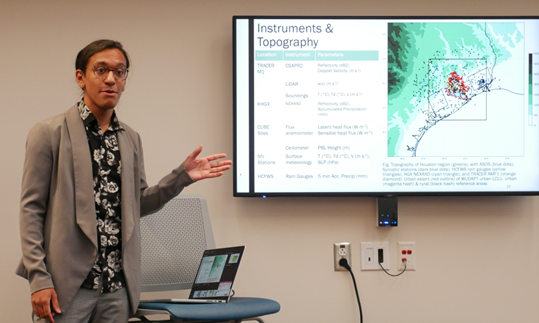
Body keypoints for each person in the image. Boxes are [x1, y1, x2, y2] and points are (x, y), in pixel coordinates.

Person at [16, 39, 232, 323]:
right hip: (67, 286)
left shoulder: (129, 138)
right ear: (81, 77)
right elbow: (31, 211)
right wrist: (39, 279)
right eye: (101, 70)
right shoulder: (49, 133)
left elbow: (137, 205)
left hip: (116, 288)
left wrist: (182, 177)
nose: (111, 79)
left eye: (120, 72)